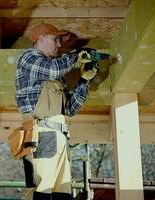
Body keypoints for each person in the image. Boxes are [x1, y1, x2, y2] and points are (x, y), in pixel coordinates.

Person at [15, 23, 98, 200]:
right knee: (41, 191)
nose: (59, 45)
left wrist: (84, 81)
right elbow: (52, 70)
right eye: (56, 39)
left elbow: (70, 109)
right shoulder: (28, 58)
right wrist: (76, 56)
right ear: (41, 39)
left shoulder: (56, 74)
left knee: (63, 194)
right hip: (42, 134)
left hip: (59, 136)